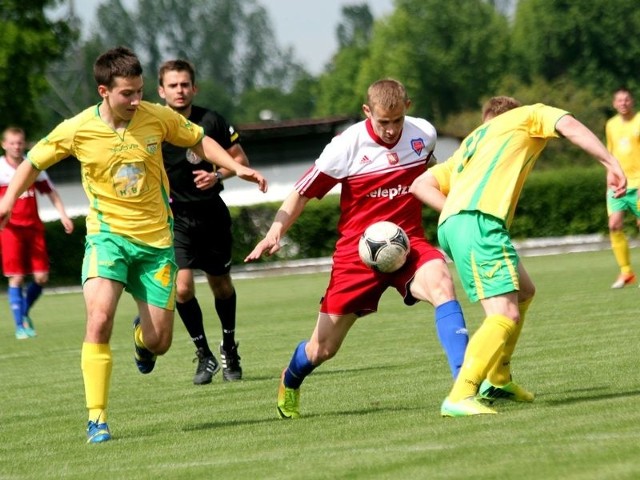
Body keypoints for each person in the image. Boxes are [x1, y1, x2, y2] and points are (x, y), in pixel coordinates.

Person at [0, 46, 267, 444]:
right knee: (99, 318)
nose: (137, 100)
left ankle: (142, 340)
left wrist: (235, 166)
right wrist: (6, 204)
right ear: (104, 90)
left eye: (140, 91)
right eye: (128, 93)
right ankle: (97, 419)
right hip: (108, 238)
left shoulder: (157, 118)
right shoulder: (77, 128)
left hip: (156, 243)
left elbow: (199, 139)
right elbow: (33, 162)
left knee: (160, 342)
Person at [245, 78, 470, 419]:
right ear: (367, 112)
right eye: (383, 122)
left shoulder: (423, 134)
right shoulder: (345, 146)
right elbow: (302, 192)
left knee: (442, 284)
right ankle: (290, 380)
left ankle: (464, 387)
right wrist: (275, 230)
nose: (392, 130)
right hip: (357, 256)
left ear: (407, 108)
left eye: (397, 121)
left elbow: (431, 170)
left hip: (408, 243)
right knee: (322, 349)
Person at [410, 96, 626, 417]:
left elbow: (420, 183)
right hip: (479, 222)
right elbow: (567, 124)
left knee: (525, 291)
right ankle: (462, 393)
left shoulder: (472, 141)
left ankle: (498, 379)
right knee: (504, 313)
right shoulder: (528, 115)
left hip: (459, 224)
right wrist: (611, 163)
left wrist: (455, 209)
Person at [157, 59, 245, 384]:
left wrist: (217, 174)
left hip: (212, 216)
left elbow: (239, 160)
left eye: (184, 84)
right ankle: (204, 355)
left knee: (221, 286)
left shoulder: (212, 120)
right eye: (173, 85)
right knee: (181, 289)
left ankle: (229, 347)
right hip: (176, 220)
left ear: (194, 87)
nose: (179, 91)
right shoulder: (154, 125)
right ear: (161, 90)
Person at [0, 126, 74, 339]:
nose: (16, 146)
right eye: (12, 143)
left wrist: (64, 215)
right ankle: (20, 325)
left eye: (20, 142)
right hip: (10, 230)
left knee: (41, 277)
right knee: (16, 278)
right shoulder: (1, 168)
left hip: (33, 229)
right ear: (4, 144)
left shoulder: (32, 166)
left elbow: (51, 192)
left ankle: (23, 313)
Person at [605, 88, 640, 288]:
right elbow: (608, 155)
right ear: (614, 104)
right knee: (614, 225)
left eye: (626, 99)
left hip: (638, 183)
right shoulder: (610, 125)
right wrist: (608, 180)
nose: (623, 103)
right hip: (617, 185)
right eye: (619, 100)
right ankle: (626, 272)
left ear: (632, 102)